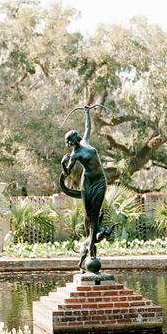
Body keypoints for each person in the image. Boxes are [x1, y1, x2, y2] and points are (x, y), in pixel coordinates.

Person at [61, 105, 108, 271]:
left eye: (70, 140)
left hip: (100, 182)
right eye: (69, 142)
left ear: (76, 138)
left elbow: (88, 127)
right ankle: (91, 249)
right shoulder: (75, 154)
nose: (69, 143)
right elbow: (67, 172)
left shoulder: (86, 142)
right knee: (90, 216)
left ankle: (92, 242)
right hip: (87, 184)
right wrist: (63, 163)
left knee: (97, 213)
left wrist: (87, 112)